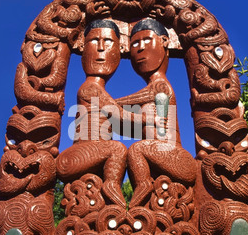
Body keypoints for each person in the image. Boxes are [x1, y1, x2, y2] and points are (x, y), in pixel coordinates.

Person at [57, 19, 155, 208]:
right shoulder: (91, 89)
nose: (101, 48)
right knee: (117, 149)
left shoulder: (99, 92)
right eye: (94, 41)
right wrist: (148, 120)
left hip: (87, 157)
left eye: (108, 42)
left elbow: (120, 122)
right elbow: (120, 116)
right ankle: (112, 190)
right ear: (83, 49)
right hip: (74, 158)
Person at [116, 18, 197, 208]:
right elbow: (136, 122)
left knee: (137, 149)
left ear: (164, 42)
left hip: (176, 158)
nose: (140, 49)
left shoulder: (159, 86)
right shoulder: (151, 89)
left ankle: (142, 190)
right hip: (161, 157)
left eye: (147, 41)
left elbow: (119, 106)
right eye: (135, 44)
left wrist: (101, 102)